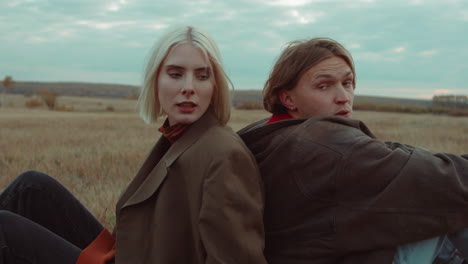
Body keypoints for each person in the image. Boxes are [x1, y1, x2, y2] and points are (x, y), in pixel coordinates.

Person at [0, 25, 267, 264]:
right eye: (175, 74)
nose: (189, 87)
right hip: (126, 253)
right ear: (156, 80)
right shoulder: (181, 136)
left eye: (201, 76)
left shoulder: (224, 154)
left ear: (215, 85)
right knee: (31, 186)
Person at [238, 37, 468, 264]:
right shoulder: (324, 144)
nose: (343, 98)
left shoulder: (267, 132)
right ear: (288, 98)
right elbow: (444, 180)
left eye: (347, 83)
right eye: (323, 86)